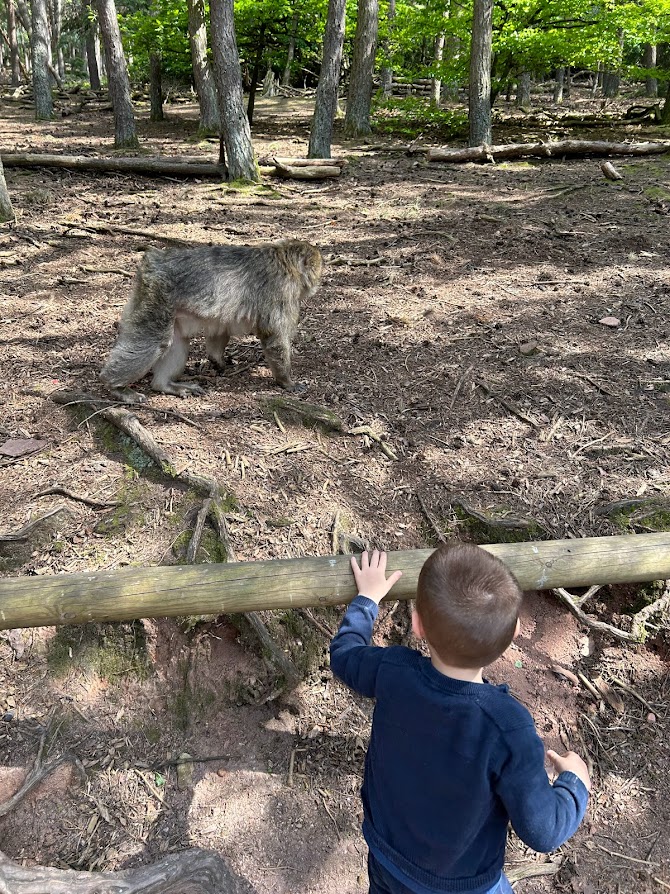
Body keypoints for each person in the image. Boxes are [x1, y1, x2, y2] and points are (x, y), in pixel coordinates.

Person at [330, 542, 591, 894]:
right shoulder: (507, 728)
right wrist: (574, 785)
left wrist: (367, 601)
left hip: (387, 859)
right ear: (514, 634)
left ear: (417, 624)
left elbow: (346, 654)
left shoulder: (394, 670)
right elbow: (543, 830)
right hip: (464, 885)